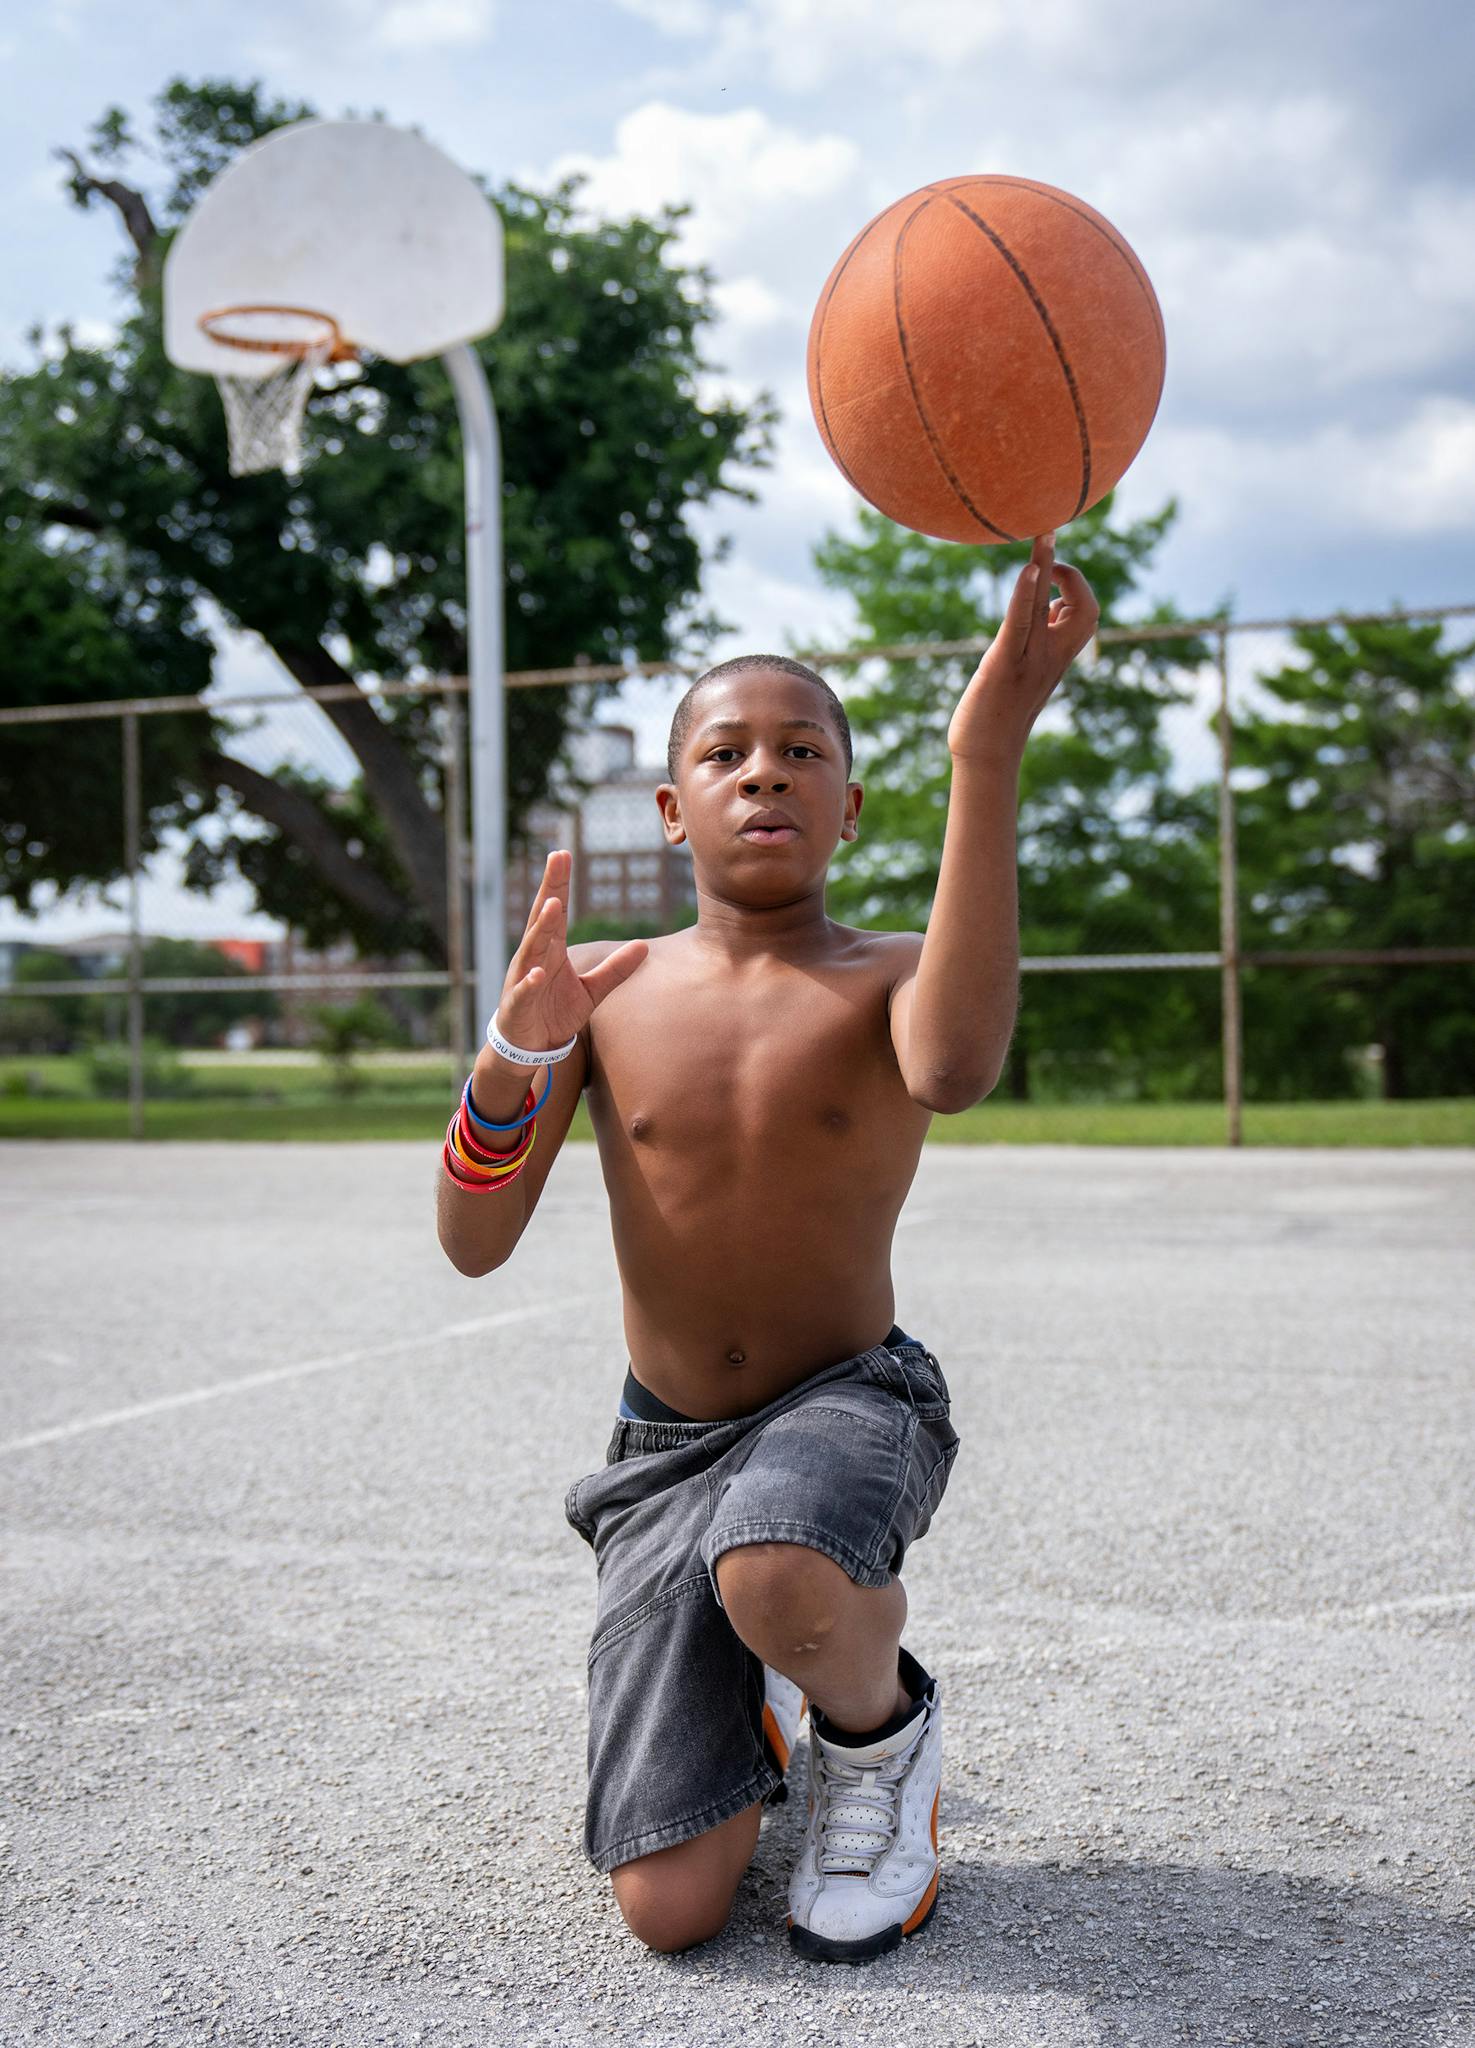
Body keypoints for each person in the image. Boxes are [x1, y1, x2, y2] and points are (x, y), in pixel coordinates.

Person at [436, 535, 1098, 1961]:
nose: (765, 771)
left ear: (849, 806)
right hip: (664, 1443)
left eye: (801, 750)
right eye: (729, 754)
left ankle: (880, 1737)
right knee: (668, 1910)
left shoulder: (892, 977)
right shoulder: (606, 993)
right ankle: (770, 1683)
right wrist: (510, 1058)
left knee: (779, 1567)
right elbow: (474, 1240)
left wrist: (985, 756)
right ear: (674, 809)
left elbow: (961, 1068)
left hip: (848, 1403)